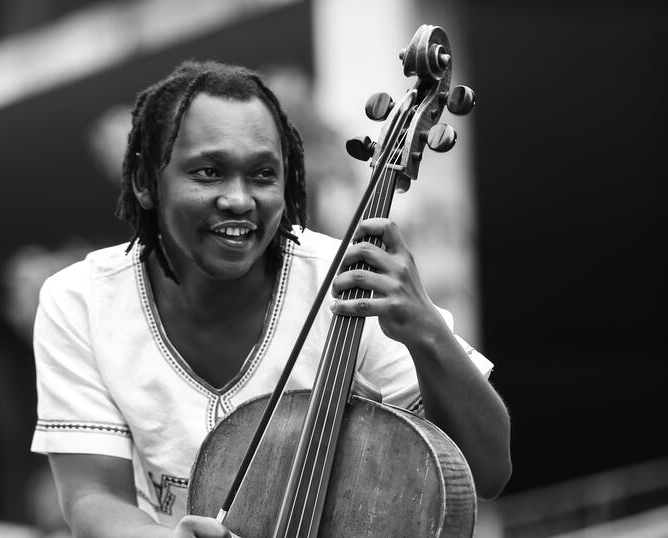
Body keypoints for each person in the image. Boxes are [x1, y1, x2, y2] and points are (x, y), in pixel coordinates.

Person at [31, 60, 511, 538]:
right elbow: (92, 495)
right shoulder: (81, 301)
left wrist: (426, 330)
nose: (239, 199)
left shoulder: (350, 281)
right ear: (144, 182)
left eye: (262, 175)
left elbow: (487, 472)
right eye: (208, 172)